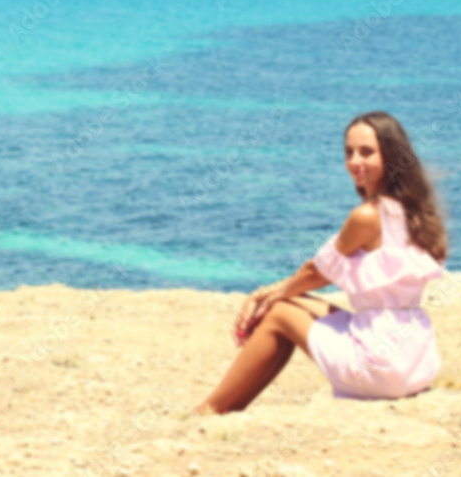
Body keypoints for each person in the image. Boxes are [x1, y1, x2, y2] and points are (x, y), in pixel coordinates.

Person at [192, 110, 448, 415]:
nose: (355, 161)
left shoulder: (367, 216)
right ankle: (227, 409)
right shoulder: (413, 211)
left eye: (366, 152)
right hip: (415, 359)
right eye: (349, 152)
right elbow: (314, 276)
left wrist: (266, 294)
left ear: (391, 155)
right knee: (288, 304)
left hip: (379, 365)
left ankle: (210, 410)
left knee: (279, 313)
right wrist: (271, 293)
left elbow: (317, 271)